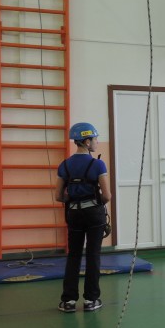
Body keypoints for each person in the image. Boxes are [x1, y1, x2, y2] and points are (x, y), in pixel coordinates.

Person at [55, 121, 112, 312]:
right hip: (94, 214)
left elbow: (58, 196)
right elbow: (107, 196)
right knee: (93, 255)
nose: (97, 142)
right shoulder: (98, 164)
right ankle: (91, 300)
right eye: (95, 139)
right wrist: (94, 202)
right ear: (87, 142)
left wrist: (74, 199)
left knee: (74, 255)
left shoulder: (65, 165)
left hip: (74, 214)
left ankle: (68, 301)